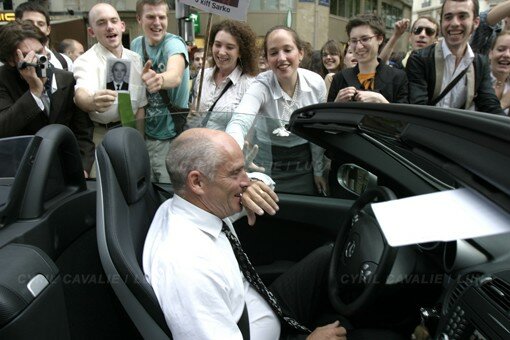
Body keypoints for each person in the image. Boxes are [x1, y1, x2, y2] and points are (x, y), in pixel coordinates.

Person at [143, 127, 348, 340]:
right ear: (197, 182)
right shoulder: (188, 268)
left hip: (260, 306)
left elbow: (261, 182)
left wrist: (256, 184)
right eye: (235, 173)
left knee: (330, 256)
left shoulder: (194, 207)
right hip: (253, 330)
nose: (246, 181)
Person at [226, 26, 328, 196]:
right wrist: (232, 154)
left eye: (288, 50)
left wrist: (318, 171)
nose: (281, 58)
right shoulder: (260, 85)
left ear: (300, 53)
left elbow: (318, 135)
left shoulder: (316, 83)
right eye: (273, 53)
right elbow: (239, 121)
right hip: (266, 162)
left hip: (304, 163)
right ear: (266, 59)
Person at [0, 20, 94, 175]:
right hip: (21, 170)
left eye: (40, 51)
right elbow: (4, 127)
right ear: (11, 60)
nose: (36, 59)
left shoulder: (67, 79)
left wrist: (83, 167)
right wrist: (34, 92)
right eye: (25, 55)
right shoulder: (3, 81)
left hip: (63, 168)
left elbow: (82, 132)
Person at [406, 0, 504, 114]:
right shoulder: (419, 59)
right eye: (448, 17)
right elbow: (418, 110)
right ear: (441, 22)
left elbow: (490, 106)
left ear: (476, 22)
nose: (454, 23)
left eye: (462, 16)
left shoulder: (480, 63)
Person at [73, 3, 147, 152]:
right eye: (101, 23)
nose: (109, 26)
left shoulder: (136, 59)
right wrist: (91, 102)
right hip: (102, 137)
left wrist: (139, 141)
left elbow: (140, 106)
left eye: (114, 21)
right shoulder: (85, 61)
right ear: (91, 32)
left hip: (131, 134)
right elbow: (81, 93)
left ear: (122, 26)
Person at [131, 0, 190, 183]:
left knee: (169, 195)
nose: (157, 22)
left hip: (172, 140)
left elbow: (175, 75)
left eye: (162, 17)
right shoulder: (135, 45)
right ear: (139, 19)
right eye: (150, 17)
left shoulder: (174, 44)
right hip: (144, 138)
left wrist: (160, 79)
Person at [191, 19, 258, 130]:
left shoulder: (250, 84)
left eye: (229, 47)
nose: (221, 52)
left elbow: (250, 129)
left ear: (240, 52)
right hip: (199, 143)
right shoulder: (202, 75)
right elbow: (194, 111)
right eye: (218, 45)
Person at [328, 14, 409, 104]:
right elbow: (328, 116)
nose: (359, 46)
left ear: (380, 39)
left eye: (365, 39)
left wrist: (382, 101)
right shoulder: (339, 78)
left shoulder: (398, 78)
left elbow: (403, 117)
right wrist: (336, 103)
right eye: (354, 41)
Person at [15, 2, 73, 71]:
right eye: (29, 23)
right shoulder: (7, 63)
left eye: (41, 24)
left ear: (48, 30)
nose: (35, 27)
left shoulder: (64, 62)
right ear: (17, 25)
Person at [489, 30, 510, 115]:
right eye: (501, 49)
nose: (507, 55)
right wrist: (504, 103)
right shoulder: (476, 80)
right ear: (490, 54)